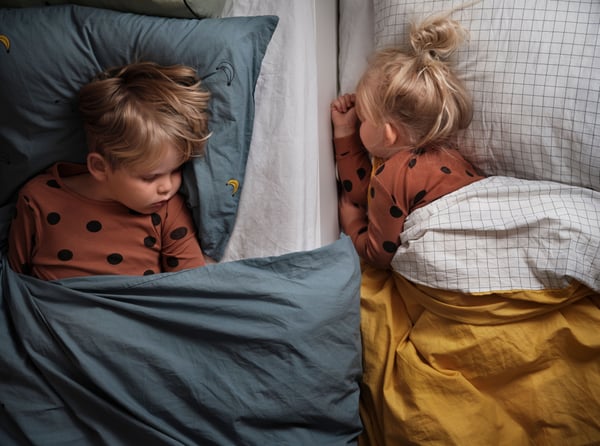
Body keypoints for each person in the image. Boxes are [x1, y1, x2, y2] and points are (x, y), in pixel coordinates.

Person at [8, 61, 212, 280]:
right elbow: (14, 280)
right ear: (99, 167)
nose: (167, 187)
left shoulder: (168, 210)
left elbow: (192, 287)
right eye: (150, 177)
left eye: (176, 170)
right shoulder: (38, 199)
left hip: (131, 310)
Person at [331, 14, 485, 269]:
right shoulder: (448, 154)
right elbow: (365, 190)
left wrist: (352, 223)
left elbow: (378, 254)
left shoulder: (392, 177)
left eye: (362, 119)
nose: (358, 121)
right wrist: (346, 129)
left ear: (389, 134)